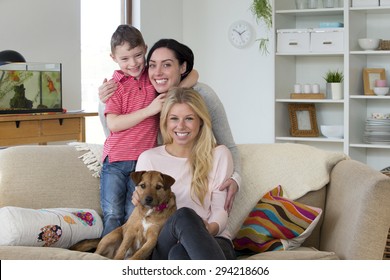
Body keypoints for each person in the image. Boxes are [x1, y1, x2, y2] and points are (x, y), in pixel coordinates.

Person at [98, 38, 241, 212]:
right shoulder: (146, 95)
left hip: (196, 184)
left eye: (166, 65)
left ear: (182, 67)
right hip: (154, 181)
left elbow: (229, 145)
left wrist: (236, 178)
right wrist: (104, 102)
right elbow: (114, 134)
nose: (157, 72)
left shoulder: (202, 95)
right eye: (152, 65)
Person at [100, 25, 197, 236]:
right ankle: (106, 257)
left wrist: (174, 92)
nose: (133, 63)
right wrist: (149, 110)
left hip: (143, 164)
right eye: (125, 59)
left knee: (134, 212)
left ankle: (130, 256)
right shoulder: (115, 86)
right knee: (112, 213)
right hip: (115, 161)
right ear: (113, 57)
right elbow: (114, 124)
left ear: (145, 48)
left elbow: (194, 74)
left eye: (138, 56)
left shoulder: (151, 77)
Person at [135, 87, 236, 259]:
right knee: (183, 215)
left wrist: (208, 229)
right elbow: (143, 213)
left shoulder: (219, 155)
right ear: (166, 122)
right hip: (165, 241)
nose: (181, 126)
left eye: (189, 118)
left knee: (179, 255)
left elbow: (221, 210)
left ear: (201, 122)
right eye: (174, 118)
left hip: (213, 239)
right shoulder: (149, 159)